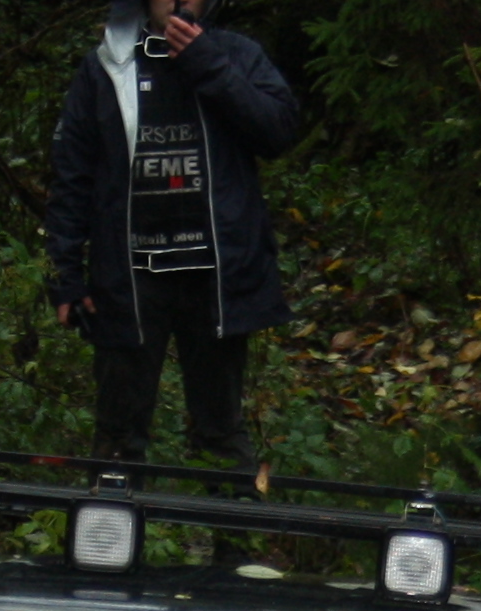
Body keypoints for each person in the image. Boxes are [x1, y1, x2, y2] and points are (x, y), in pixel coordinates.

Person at [46, 0, 301, 466]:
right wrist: (65, 274)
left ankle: (231, 514)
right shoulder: (106, 66)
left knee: (221, 432)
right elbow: (71, 176)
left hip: (216, 274)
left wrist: (209, 65)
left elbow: (278, 132)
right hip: (130, 277)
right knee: (118, 434)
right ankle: (112, 515)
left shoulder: (237, 55)